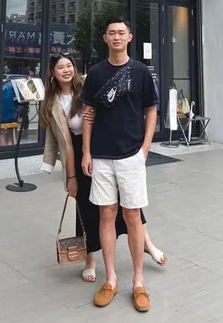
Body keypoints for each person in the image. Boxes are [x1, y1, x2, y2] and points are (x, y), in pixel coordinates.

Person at [40, 53, 166, 284]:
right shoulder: (51, 103)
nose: (66, 70)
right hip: (78, 154)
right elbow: (58, 139)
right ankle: (90, 260)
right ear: (53, 73)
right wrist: (68, 174)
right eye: (60, 67)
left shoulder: (88, 83)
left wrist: (141, 147)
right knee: (87, 207)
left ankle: (147, 243)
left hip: (102, 147)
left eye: (69, 65)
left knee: (129, 203)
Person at [80, 16, 158, 312]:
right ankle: (110, 279)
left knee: (133, 216)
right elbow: (88, 114)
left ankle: (138, 282)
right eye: (111, 33)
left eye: (121, 33)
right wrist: (86, 152)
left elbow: (151, 109)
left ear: (129, 37)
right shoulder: (96, 73)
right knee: (106, 214)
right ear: (105, 38)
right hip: (101, 156)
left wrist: (145, 148)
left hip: (131, 155)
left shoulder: (140, 72)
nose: (116, 37)